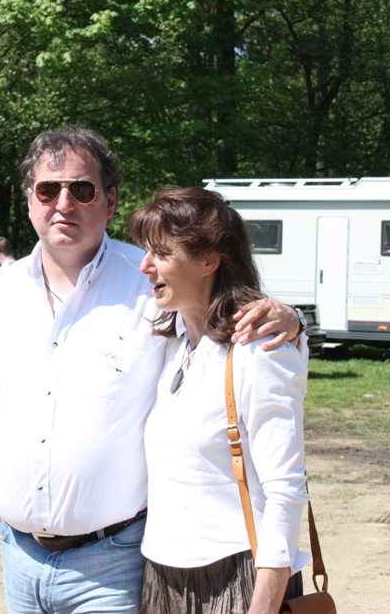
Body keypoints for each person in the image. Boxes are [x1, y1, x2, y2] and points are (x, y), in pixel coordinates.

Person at [0, 126, 303, 614]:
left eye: (82, 189)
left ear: (110, 200)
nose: (64, 203)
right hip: (17, 557)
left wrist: (292, 322)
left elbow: (228, 329)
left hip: (116, 562)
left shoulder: (152, 286)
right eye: (48, 189)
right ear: (30, 200)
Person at [132, 187, 308, 614]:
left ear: (209, 260)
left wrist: (262, 607)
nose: (144, 266)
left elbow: (286, 491)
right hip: (162, 577)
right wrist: (298, 319)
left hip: (237, 578)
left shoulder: (258, 351)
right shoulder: (172, 345)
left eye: (161, 253)